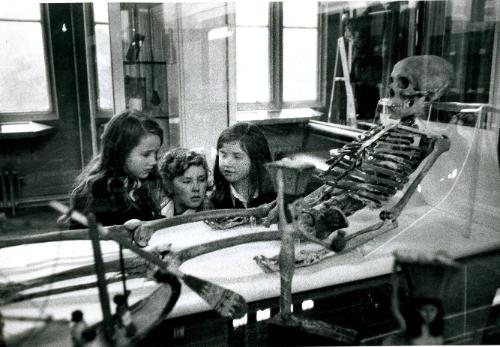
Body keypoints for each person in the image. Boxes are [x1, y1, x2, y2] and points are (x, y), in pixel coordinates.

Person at [69, 110, 163, 228]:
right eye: (146, 154)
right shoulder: (96, 192)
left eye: (156, 153)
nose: (153, 161)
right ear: (121, 152)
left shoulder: (141, 181)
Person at [211, 122, 276, 209]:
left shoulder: (275, 197)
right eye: (223, 155)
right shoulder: (213, 202)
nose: (227, 163)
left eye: (237, 156)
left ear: (255, 160)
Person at [158, 148, 213, 217]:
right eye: (187, 182)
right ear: (169, 185)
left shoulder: (211, 214)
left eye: (201, 180)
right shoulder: (161, 211)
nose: (196, 188)